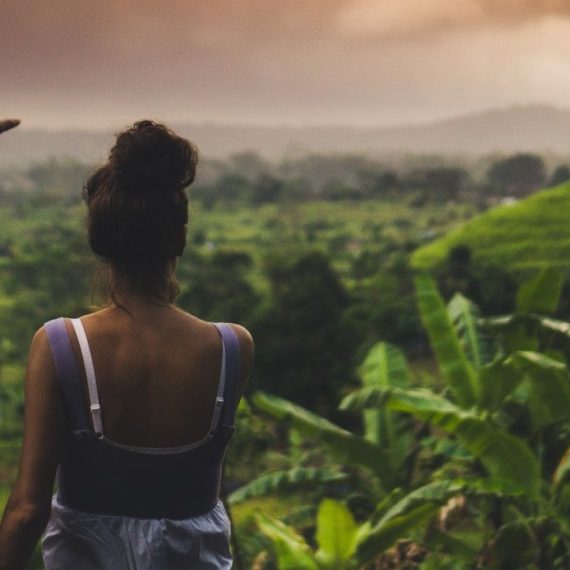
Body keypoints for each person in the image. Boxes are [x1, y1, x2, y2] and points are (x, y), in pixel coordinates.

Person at [0, 119, 254, 569]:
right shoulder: (231, 348)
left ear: (100, 241)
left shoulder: (62, 346)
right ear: (179, 236)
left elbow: (26, 513)